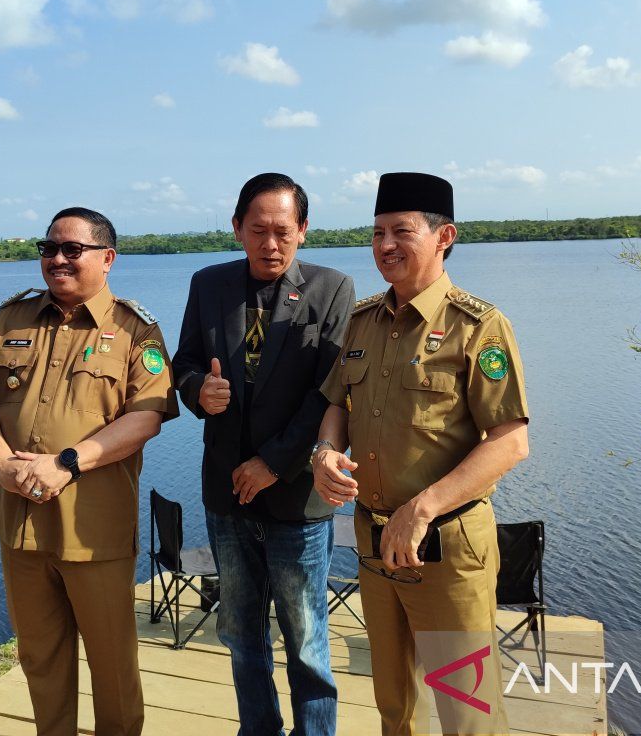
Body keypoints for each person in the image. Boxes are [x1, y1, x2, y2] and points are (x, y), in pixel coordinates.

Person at [312, 172, 530, 736]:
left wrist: (423, 507)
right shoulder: (361, 321)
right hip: (374, 540)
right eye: (378, 232)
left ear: (444, 236)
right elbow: (338, 404)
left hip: (448, 550)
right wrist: (326, 452)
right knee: (393, 704)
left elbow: (510, 441)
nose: (385, 245)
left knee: (467, 712)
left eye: (401, 231)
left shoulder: (478, 326)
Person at [0, 206, 178, 736]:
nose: (57, 259)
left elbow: (146, 417)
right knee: (40, 657)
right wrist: (0, 462)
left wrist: (68, 464)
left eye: (71, 250)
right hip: (19, 524)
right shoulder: (12, 317)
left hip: (92, 530)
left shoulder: (134, 329)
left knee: (112, 668)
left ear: (107, 258)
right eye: (49, 248)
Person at [174, 172, 355, 736]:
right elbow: (183, 362)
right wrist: (197, 389)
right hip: (227, 496)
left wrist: (273, 462)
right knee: (239, 632)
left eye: (283, 231)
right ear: (236, 229)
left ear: (303, 230)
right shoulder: (209, 284)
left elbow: (330, 392)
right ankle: (258, 729)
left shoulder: (332, 289)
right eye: (257, 230)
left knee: (306, 639)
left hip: (297, 496)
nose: (270, 244)